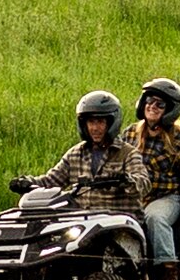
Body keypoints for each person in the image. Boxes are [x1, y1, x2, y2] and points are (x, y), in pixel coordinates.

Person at [123, 77, 180, 280]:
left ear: (170, 110)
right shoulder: (130, 135)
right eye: (148, 101)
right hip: (134, 198)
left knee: (155, 218)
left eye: (159, 104)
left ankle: (168, 271)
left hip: (166, 197)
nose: (151, 107)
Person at [11, 90, 147, 210]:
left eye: (100, 122)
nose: (95, 128)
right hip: (84, 224)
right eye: (91, 122)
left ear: (111, 123)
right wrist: (27, 183)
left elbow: (143, 183)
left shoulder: (127, 154)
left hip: (118, 222)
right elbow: (50, 181)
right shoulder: (76, 154)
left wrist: (126, 180)